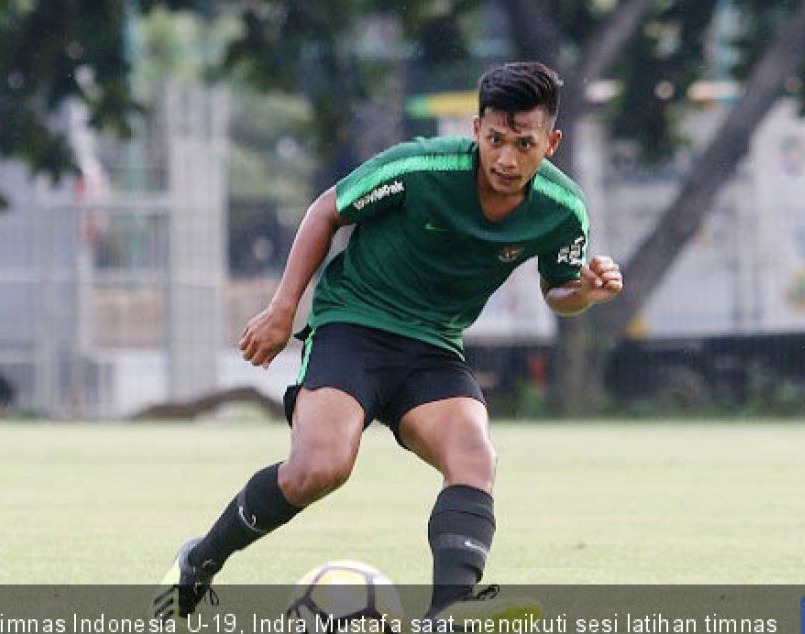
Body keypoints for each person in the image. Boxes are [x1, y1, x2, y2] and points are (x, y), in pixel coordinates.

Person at [154, 61, 624, 623]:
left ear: (551, 143)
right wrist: (283, 311)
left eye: (523, 144)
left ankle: (448, 614)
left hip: (434, 347)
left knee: (475, 457)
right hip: (354, 323)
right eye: (495, 139)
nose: (505, 158)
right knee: (320, 468)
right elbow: (325, 210)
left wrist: (586, 295)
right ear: (475, 129)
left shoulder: (563, 209)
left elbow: (559, 290)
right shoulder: (422, 166)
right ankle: (200, 559)